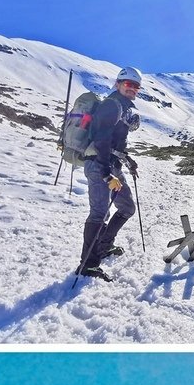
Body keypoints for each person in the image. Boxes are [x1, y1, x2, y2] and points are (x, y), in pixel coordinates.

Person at [77, 66, 142, 281]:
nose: (132, 89)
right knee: (99, 214)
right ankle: (88, 265)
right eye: (128, 84)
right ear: (118, 84)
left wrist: (127, 159)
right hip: (99, 165)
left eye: (136, 86)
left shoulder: (123, 108)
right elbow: (101, 140)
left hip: (111, 165)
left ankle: (104, 246)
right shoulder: (111, 106)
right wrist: (106, 174)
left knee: (127, 207)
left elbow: (116, 143)